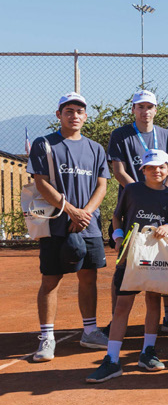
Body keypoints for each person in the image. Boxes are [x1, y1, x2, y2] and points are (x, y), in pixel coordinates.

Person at [30, 92, 110, 362]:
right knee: (50, 280)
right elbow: (41, 182)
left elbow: (102, 185)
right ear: (59, 115)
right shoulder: (44, 144)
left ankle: (90, 332)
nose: (74, 115)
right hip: (56, 225)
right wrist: (71, 211)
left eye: (79, 111)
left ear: (85, 116)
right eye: (68, 111)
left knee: (88, 277)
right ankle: (47, 337)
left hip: (88, 225)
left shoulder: (96, 148)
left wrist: (84, 214)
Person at [86, 149, 168, 382]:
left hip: (156, 256)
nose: (156, 171)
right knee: (122, 306)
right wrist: (118, 238)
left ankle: (148, 352)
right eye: (151, 167)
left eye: (161, 167)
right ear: (142, 170)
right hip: (130, 255)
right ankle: (112, 359)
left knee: (153, 300)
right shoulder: (132, 190)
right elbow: (117, 217)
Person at [107, 89, 168, 335]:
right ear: (133, 109)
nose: (145, 111)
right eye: (140, 106)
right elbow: (118, 170)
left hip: (163, 206)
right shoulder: (120, 134)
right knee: (124, 264)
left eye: (149, 106)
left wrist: (163, 193)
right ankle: (116, 319)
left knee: (165, 262)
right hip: (134, 207)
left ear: (155, 109)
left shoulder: (166, 135)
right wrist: (141, 192)